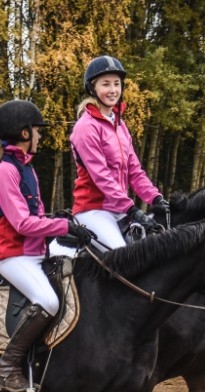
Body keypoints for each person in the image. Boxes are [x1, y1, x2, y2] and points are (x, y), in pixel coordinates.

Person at [0, 99, 93, 392]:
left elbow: (37, 217)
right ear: (24, 133)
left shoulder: (25, 167)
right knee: (49, 301)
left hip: (36, 252)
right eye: (37, 131)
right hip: (13, 256)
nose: (40, 136)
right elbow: (22, 224)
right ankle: (6, 367)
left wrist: (60, 222)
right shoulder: (6, 171)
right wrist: (65, 226)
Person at [51, 55, 171, 256]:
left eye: (117, 84)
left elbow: (135, 171)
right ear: (92, 88)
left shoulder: (120, 125)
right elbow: (102, 178)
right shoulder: (85, 128)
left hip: (119, 209)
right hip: (93, 210)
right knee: (124, 258)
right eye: (106, 84)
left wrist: (155, 197)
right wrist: (132, 209)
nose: (113, 90)